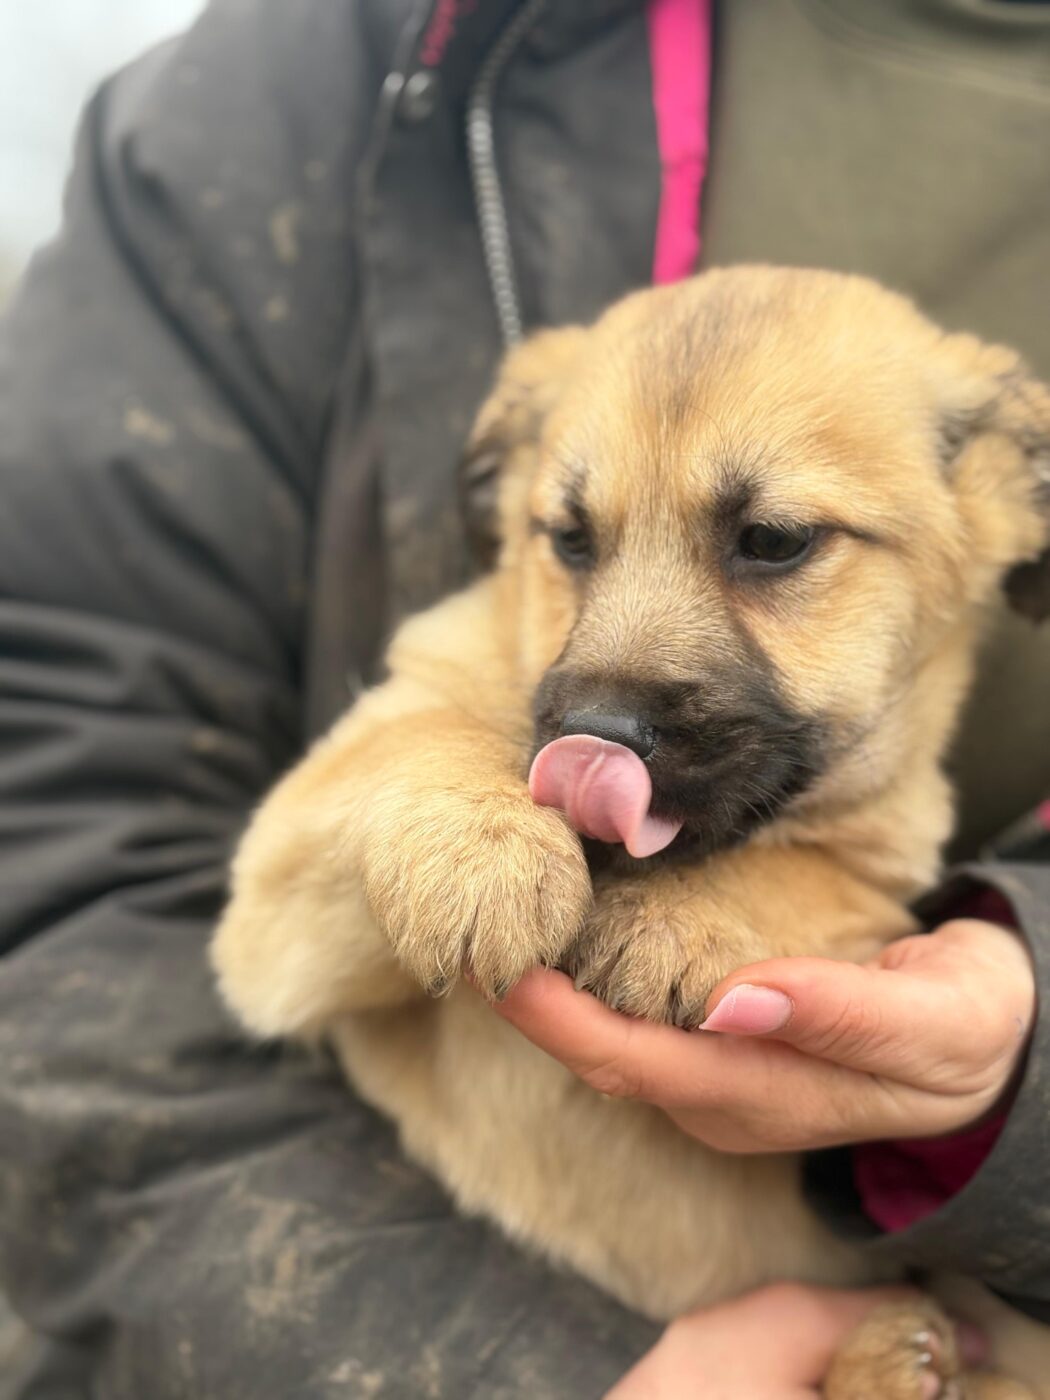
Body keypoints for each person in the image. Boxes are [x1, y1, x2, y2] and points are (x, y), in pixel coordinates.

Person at [1, 1, 1048, 1396]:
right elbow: (192, 908)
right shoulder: (305, 74)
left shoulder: (896, 730)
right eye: (574, 540)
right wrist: (435, 806)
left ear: (998, 505)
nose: (610, 680)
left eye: (772, 543)